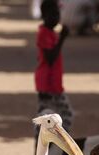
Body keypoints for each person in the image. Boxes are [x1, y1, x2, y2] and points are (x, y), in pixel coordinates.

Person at [34, 0, 73, 147]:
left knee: (48, 117)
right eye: (54, 14)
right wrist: (62, 38)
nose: (57, 17)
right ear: (44, 15)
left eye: (58, 14)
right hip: (47, 85)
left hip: (53, 84)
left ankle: (51, 144)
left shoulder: (50, 32)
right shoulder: (44, 33)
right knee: (65, 115)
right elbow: (50, 58)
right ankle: (52, 144)